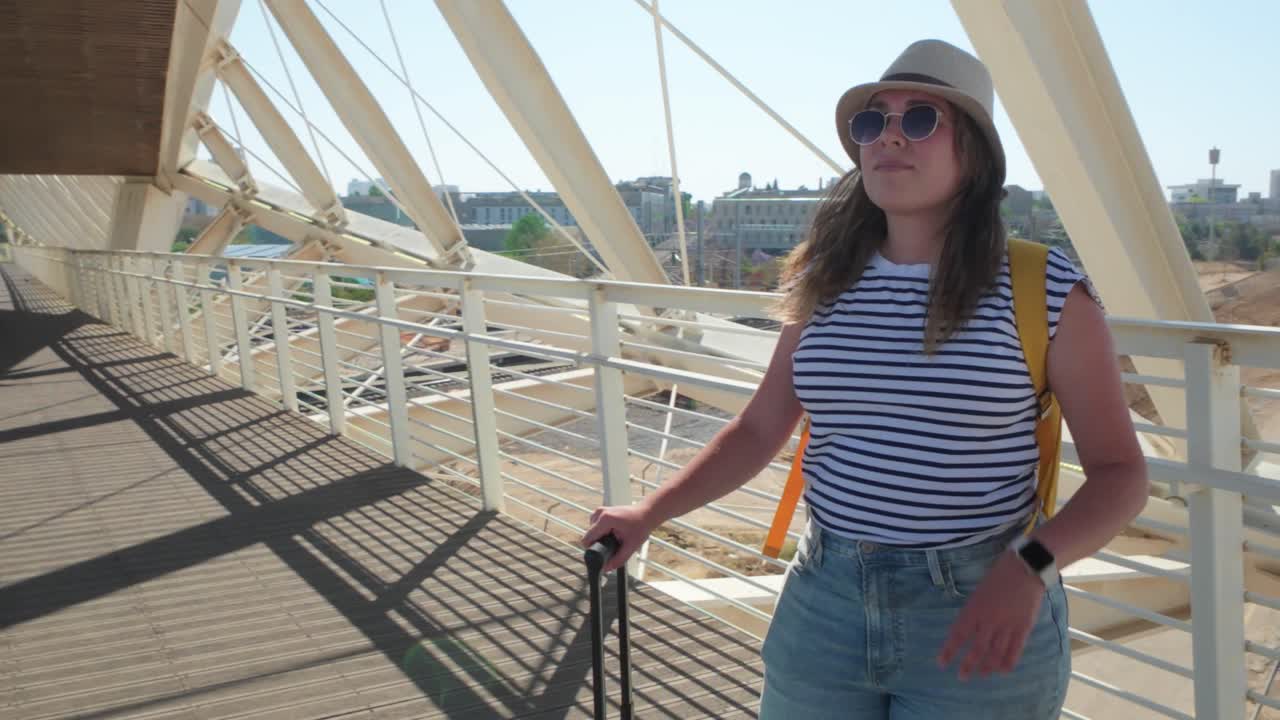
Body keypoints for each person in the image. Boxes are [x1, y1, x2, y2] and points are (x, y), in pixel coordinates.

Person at [581, 39, 1148, 718]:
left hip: (979, 603)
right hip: (826, 599)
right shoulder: (825, 278)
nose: (888, 137)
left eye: (920, 120)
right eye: (872, 121)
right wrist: (651, 512)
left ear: (975, 154)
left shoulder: (1045, 288)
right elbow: (760, 428)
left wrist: (1029, 566)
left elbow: (1121, 473)